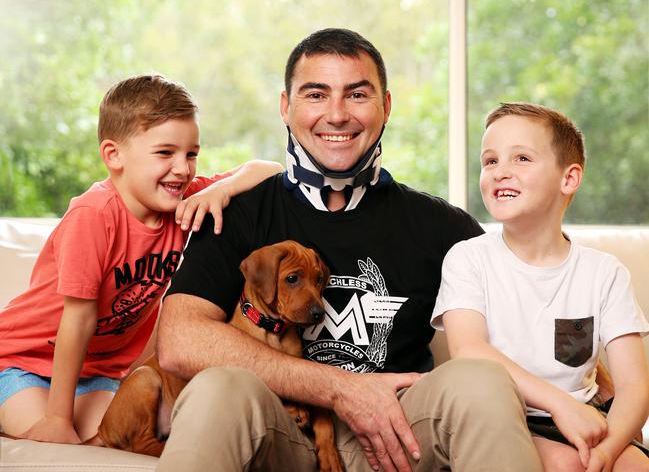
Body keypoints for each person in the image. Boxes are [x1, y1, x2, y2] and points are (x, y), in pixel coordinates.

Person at [155, 29, 545, 472]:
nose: (336, 115)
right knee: (217, 388)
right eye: (316, 94)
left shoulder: (444, 227)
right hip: (280, 430)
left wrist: (603, 413)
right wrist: (340, 388)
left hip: (402, 431)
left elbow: (530, 311)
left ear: (386, 107)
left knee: (481, 380)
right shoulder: (235, 212)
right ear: (286, 107)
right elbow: (179, 341)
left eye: (357, 94)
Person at [0, 74, 283, 445]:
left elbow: (272, 170)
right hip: (21, 360)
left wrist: (221, 189)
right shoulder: (94, 215)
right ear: (113, 155)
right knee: (51, 434)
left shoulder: (186, 203)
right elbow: (79, 318)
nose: (182, 168)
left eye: (191, 154)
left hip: (99, 371)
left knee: (123, 436)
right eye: (165, 153)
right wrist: (58, 416)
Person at [431, 102, 649, 471]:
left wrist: (606, 452)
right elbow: (468, 348)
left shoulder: (604, 272)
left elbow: (634, 388)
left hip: (588, 417)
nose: (500, 172)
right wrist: (559, 405)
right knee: (565, 465)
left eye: (521, 159)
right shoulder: (468, 258)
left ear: (569, 178)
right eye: (490, 161)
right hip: (506, 422)